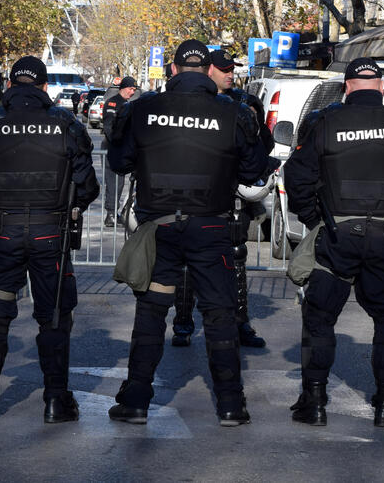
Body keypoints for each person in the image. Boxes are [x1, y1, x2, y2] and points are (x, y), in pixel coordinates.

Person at [106, 39, 272, 426]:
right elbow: (254, 171)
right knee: (219, 314)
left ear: (175, 70)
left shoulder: (143, 109)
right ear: (207, 71)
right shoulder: (234, 112)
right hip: (212, 229)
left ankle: (135, 401)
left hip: (159, 229)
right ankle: (231, 405)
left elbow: (119, 161)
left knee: (151, 312)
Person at [283, 57, 384, 427]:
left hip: (337, 235)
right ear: (382, 87)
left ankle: (315, 400)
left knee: (320, 317)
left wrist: (316, 221)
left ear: (346, 87)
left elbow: (298, 178)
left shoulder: (326, 122)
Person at [0, 56, 99, 423]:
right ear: (43, 88)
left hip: (1, 231)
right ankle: (55, 401)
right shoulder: (65, 123)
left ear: (9, 86)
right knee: (53, 317)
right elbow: (87, 186)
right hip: (51, 232)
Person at [171, 49, 274, 349]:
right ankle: (183, 322)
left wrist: (254, 126)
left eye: (233, 68)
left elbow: (261, 149)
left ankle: (240, 323)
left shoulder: (245, 102)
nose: (230, 73)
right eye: (224, 68)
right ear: (207, 71)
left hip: (234, 195)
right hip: (196, 197)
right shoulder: (190, 102)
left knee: (236, 260)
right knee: (187, 264)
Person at [101, 76, 138, 227]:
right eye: (131, 89)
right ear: (123, 88)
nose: (132, 92)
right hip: (111, 148)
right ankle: (110, 214)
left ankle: (114, 212)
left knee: (120, 183)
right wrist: (117, 144)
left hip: (120, 149)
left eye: (134, 90)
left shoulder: (126, 104)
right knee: (114, 183)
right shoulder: (113, 103)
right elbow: (109, 126)